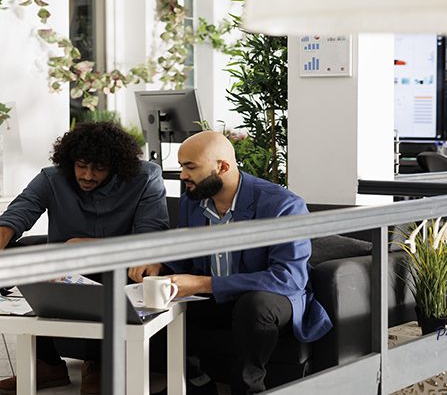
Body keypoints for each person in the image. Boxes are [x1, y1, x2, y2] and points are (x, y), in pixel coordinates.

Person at [0, 121, 169, 395]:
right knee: (15, 253)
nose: (87, 174)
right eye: (81, 165)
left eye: (98, 168)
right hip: (63, 263)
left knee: (102, 266)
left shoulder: (146, 177)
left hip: (122, 264)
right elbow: (7, 225)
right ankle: (48, 364)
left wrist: (90, 245)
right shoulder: (51, 178)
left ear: (116, 166)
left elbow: (151, 238)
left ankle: (99, 364)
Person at [131, 131, 332, 394]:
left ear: (222, 167)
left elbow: (289, 278)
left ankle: (249, 388)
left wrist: (205, 284)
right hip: (215, 299)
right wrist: (159, 263)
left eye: (190, 167)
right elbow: (187, 257)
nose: (182, 176)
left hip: (271, 300)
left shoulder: (283, 205)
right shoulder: (193, 202)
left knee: (254, 304)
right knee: (148, 292)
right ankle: (195, 383)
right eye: (181, 167)